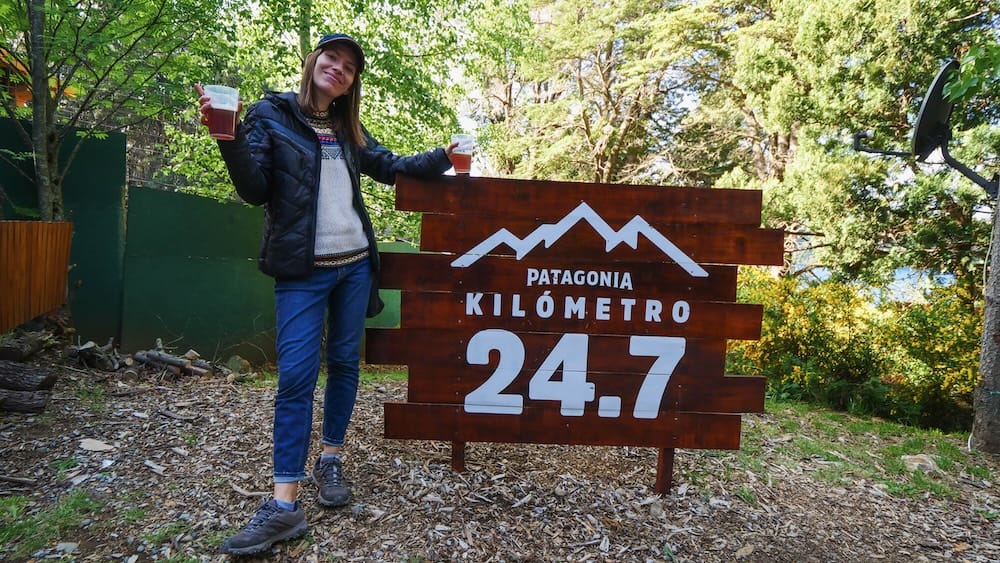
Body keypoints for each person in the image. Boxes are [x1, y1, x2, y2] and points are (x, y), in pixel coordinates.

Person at [196, 33, 460, 555]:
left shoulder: (346, 128)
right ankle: (284, 505)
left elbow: (391, 166)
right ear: (313, 61)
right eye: (331, 58)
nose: (338, 68)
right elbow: (254, 190)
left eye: (349, 67)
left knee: (344, 364)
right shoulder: (271, 115)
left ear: (352, 83)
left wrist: (443, 158)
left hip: (356, 266)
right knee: (295, 377)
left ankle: (331, 458)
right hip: (302, 271)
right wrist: (226, 137)